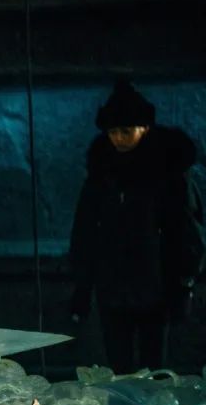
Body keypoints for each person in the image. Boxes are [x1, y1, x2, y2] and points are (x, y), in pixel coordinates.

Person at [69, 80, 203, 374]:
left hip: (157, 284)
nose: (118, 138)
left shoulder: (169, 172)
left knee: (155, 365)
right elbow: (85, 230)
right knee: (120, 367)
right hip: (113, 286)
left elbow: (187, 230)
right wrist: (83, 287)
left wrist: (184, 281)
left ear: (144, 128)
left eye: (126, 131)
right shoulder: (102, 174)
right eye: (113, 132)